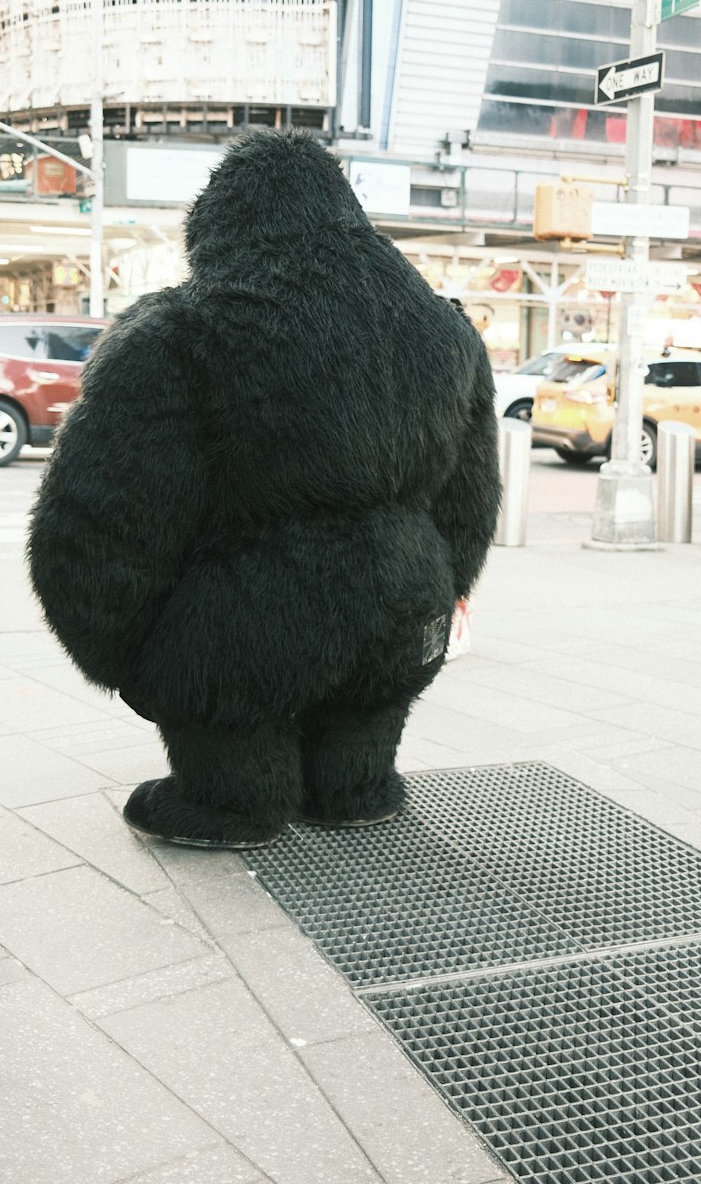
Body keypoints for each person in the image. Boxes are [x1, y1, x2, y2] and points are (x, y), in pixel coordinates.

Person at [28, 130, 502, 848]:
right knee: (363, 721)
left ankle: (234, 803)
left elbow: (107, 516)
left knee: (229, 712)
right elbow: (470, 500)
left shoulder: (180, 332)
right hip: (407, 604)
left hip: (251, 619)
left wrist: (127, 656)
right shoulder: (447, 331)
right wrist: (445, 585)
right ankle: (354, 787)